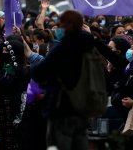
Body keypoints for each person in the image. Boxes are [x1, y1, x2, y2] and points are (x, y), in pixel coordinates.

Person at [30, 10, 95, 150]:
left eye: (61, 24)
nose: (58, 28)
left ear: (68, 26)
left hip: (62, 107)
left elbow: (39, 72)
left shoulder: (63, 48)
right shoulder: (90, 46)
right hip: (83, 108)